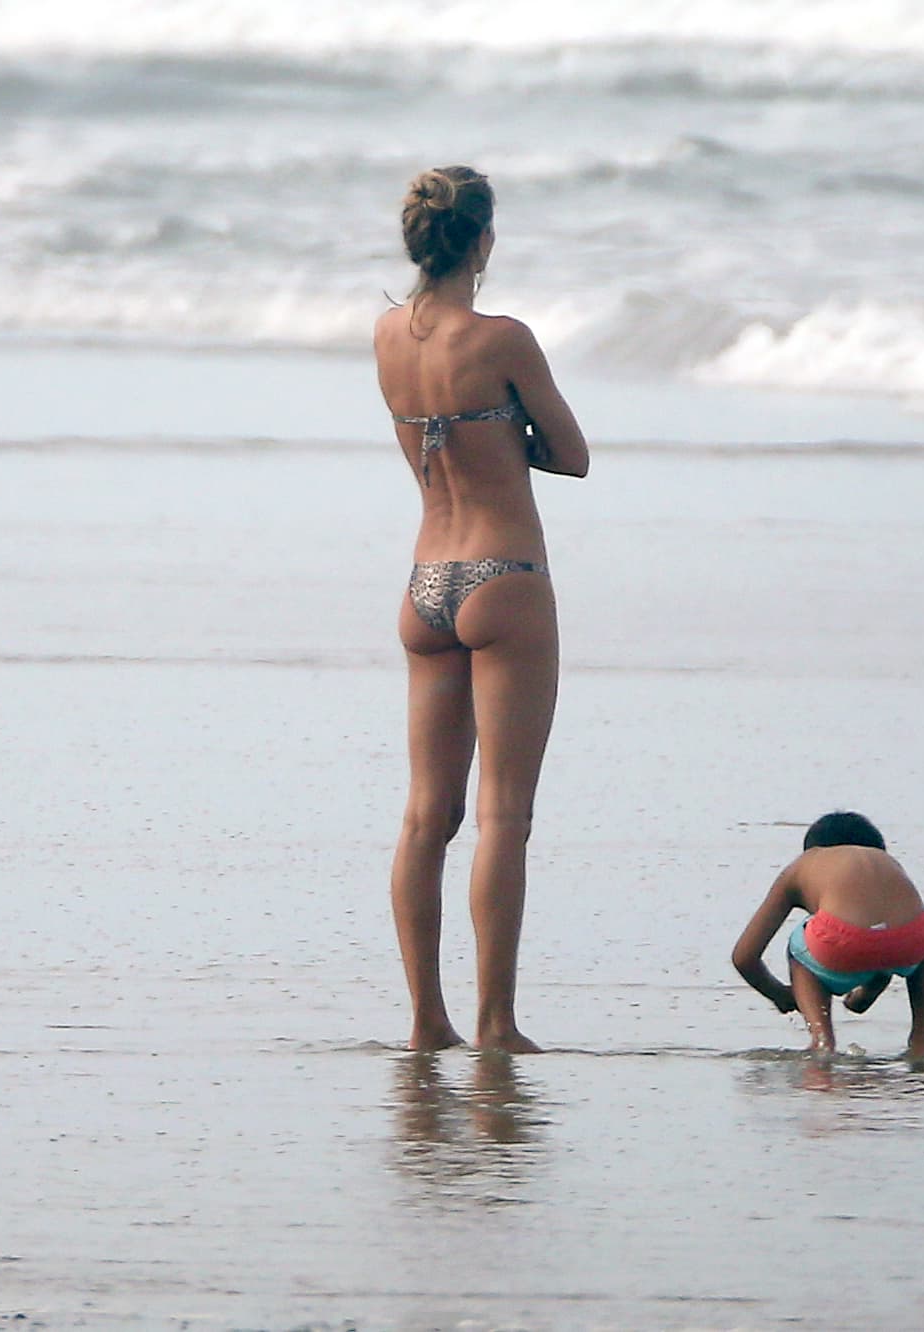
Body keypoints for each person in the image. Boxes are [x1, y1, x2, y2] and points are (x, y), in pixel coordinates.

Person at [374, 165, 589, 1053]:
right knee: (504, 815)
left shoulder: (387, 334)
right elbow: (572, 455)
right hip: (504, 577)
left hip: (425, 585)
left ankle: (428, 1020)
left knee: (428, 814)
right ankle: (497, 1022)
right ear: (483, 242)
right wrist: (510, 443)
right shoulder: (504, 338)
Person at [731, 812, 924, 1059]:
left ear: (810, 849)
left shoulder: (803, 865)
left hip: (846, 943)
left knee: (799, 944)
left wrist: (781, 995)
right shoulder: (886, 861)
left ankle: (822, 1041)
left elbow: (744, 956)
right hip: (910, 942)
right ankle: (921, 1039)